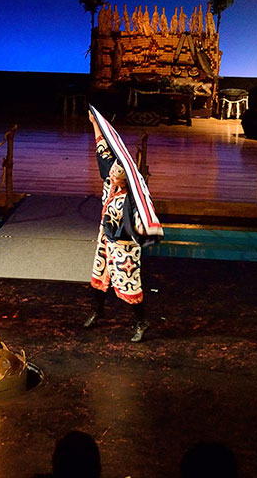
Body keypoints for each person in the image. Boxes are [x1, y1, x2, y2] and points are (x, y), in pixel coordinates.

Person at [84, 110, 151, 342]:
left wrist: (141, 231)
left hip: (124, 244)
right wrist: (96, 124)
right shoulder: (109, 180)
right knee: (98, 274)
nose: (111, 176)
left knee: (129, 282)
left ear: (125, 178)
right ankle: (97, 311)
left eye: (116, 175)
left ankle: (141, 321)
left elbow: (143, 217)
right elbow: (102, 147)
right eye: (111, 173)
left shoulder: (134, 195)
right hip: (106, 236)